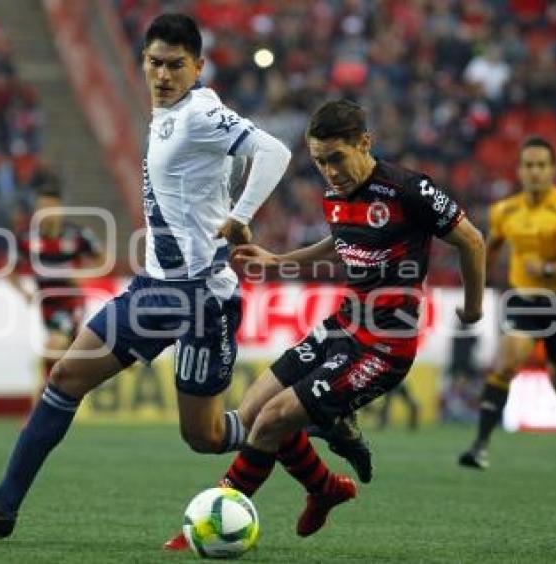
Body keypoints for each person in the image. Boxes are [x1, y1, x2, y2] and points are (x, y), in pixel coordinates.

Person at [0, 13, 292, 538]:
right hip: (155, 289)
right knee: (82, 384)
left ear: (197, 66)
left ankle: (298, 421)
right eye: (155, 63)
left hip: (200, 298)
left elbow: (274, 151)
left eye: (176, 65)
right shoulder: (165, 114)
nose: (164, 74)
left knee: (198, 432)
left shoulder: (200, 112)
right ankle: (4, 504)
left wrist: (240, 215)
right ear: (143, 63)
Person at [166, 99, 485, 547]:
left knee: (273, 421)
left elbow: (471, 241)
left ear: (364, 143)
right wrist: (280, 261)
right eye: (319, 162)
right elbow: (340, 244)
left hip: (384, 346)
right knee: (255, 410)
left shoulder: (408, 191)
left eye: (337, 158)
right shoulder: (336, 195)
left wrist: (472, 309)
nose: (330, 172)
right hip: (341, 326)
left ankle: (217, 517)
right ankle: (324, 487)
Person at [458, 136, 556, 470]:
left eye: (541, 165)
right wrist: (477, 279)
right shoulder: (504, 211)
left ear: (552, 169)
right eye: (528, 165)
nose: (535, 172)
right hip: (525, 301)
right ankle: (479, 447)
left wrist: (552, 268)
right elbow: (488, 247)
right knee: (506, 366)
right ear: (519, 170)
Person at [8, 187, 102, 394]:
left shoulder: (76, 234)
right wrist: (24, 292)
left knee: (54, 345)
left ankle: (46, 394)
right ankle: (60, 390)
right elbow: (10, 271)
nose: (45, 211)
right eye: (41, 207)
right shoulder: (26, 239)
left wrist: (83, 275)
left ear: (60, 208)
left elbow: (104, 259)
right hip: (46, 306)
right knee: (68, 352)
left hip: (71, 303)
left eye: (49, 206)